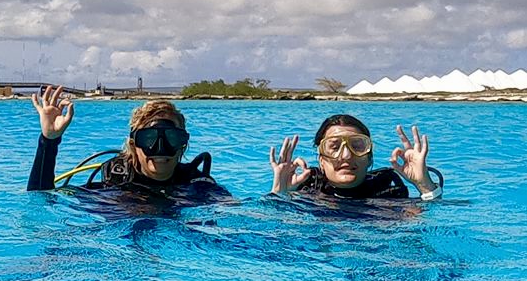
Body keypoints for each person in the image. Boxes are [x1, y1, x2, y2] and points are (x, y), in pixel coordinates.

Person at [25, 86, 230, 202]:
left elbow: (240, 212)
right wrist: (49, 141)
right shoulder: (113, 185)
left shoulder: (197, 184)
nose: (161, 148)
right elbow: (40, 199)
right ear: (133, 144)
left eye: (171, 138)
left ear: (183, 145)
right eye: (149, 139)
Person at [269, 112, 443, 202]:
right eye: (334, 147)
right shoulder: (305, 196)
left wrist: (425, 186)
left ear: (368, 158)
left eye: (357, 146)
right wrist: (280, 193)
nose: (346, 155)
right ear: (321, 160)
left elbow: (429, 226)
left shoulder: (388, 197)